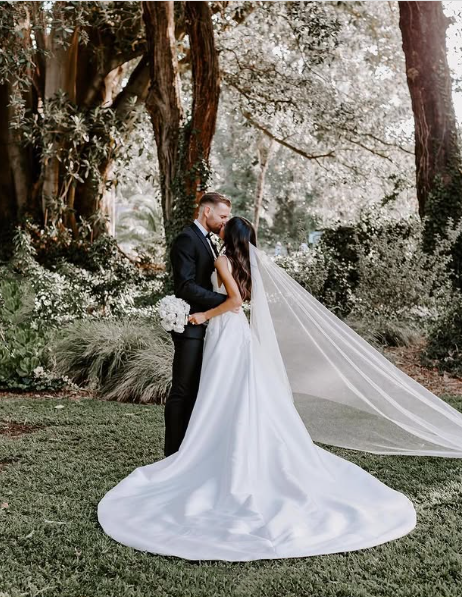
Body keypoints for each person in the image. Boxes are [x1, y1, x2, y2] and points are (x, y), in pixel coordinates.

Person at [98, 214, 462, 562]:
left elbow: (234, 303)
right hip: (236, 332)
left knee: (223, 391)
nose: (221, 228)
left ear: (228, 237)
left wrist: (201, 315)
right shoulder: (244, 263)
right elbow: (244, 299)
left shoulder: (224, 259)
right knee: (237, 391)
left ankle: (216, 450)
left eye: (226, 226)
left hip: (226, 329)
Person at [163, 192, 234, 457]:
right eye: (222, 216)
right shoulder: (186, 239)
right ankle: (172, 454)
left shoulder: (209, 241)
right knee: (182, 389)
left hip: (207, 324)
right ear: (207, 212)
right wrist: (225, 301)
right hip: (191, 325)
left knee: (196, 390)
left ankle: (188, 451)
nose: (225, 221)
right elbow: (185, 286)